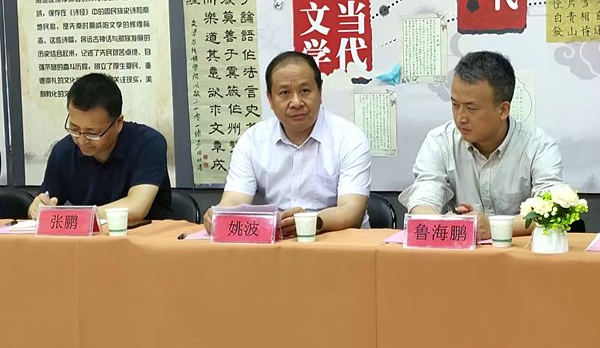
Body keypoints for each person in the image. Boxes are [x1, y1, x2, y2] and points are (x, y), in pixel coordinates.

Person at [399, 51, 570, 239]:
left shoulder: (538, 147)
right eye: (455, 105)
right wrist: (444, 224)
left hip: (520, 254)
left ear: (503, 110)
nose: (460, 117)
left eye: (471, 108)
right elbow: (423, 198)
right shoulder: (439, 141)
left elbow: (551, 209)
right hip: (461, 253)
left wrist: (494, 228)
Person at [203, 51, 371, 236]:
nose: (296, 102)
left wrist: (308, 223)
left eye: (305, 91)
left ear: (320, 92)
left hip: (335, 241)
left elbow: (351, 211)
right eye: (284, 93)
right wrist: (220, 216)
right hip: (275, 243)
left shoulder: (349, 138)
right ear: (270, 99)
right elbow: (234, 201)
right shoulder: (252, 141)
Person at [28, 73, 172, 221]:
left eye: (92, 133)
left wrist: (76, 217)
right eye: (74, 128)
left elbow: (136, 208)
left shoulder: (148, 144)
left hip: (147, 234)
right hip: (88, 235)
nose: (82, 140)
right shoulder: (63, 151)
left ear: (119, 123)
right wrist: (38, 208)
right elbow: (45, 201)